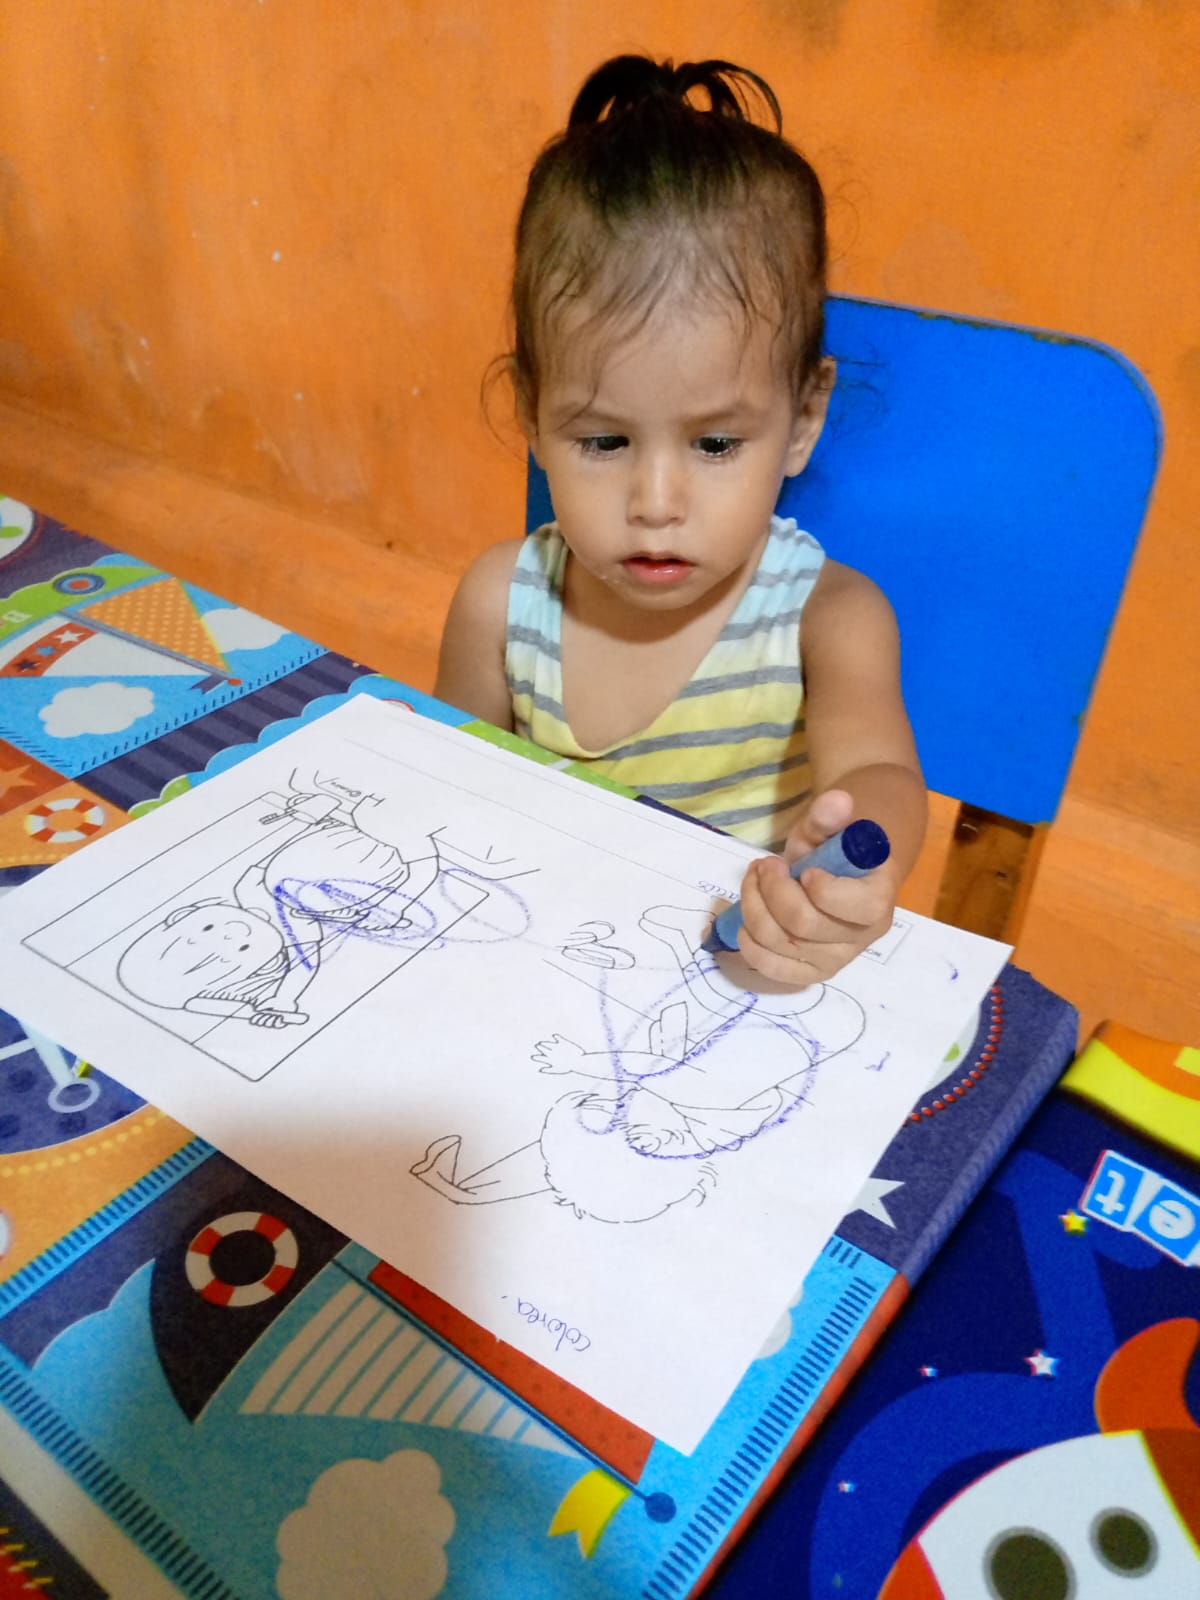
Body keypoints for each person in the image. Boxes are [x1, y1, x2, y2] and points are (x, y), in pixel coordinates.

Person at [435, 54, 927, 986]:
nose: (656, 504)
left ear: (804, 418)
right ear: (533, 414)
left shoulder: (827, 619)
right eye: (604, 441)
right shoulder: (500, 603)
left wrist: (851, 859)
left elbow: (883, 777)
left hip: (737, 990)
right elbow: (453, 788)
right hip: (528, 981)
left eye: (715, 445)